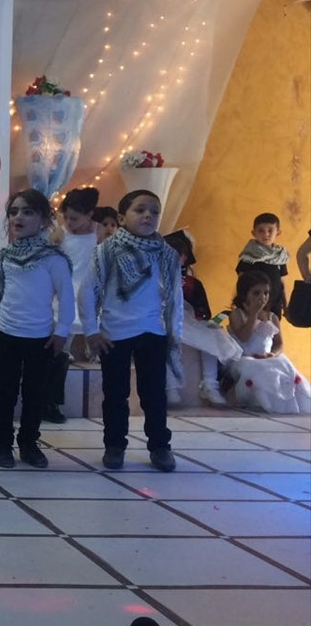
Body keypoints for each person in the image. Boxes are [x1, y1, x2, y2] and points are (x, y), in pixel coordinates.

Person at [79, 190, 182, 472]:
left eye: (154, 211)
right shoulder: (107, 250)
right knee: (115, 394)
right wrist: (91, 330)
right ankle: (114, 446)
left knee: (154, 394)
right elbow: (87, 291)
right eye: (140, 210)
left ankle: (160, 447)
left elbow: (175, 296)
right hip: (114, 333)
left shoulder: (167, 254)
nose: (148, 215)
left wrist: (173, 333)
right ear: (122, 218)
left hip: (153, 331)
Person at [0, 189, 73, 469]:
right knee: (4, 393)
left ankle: (29, 444)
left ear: (44, 219)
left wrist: (62, 332)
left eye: (28, 212)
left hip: (41, 338)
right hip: (7, 334)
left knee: (35, 395)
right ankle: (2, 445)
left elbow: (66, 298)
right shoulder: (4, 257)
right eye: (13, 212)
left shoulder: (53, 259)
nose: (18, 217)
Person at [162, 229, 238, 407]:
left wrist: (199, 316)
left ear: (184, 258)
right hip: (161, 319)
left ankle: (210, 385)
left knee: (211, 336)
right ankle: (171, 387)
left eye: (179, 255)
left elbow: (202, 309)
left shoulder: (192, 283)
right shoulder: (154, 277)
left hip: (188, 320)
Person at [43, 186, 100, 423]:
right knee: (60, 318)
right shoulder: (60, 233)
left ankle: (90, 348)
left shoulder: (100, 233)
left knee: (91, 313)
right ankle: (62, 350)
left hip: (88, 286)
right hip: (64, 286)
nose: (69, 222)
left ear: (90, 215)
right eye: (65, 217)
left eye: (74, 218)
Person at [226, 271, 310, 414]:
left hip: (267, 358)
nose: (262, 297)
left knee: (284, 368)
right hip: (245, 358)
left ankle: (282, 404)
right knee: (258, 371)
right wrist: (253, 314)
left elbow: (279, 343)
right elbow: (244, 337)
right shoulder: (237, 314)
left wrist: (273, 354)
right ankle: (260, 402)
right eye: (256, 293)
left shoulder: (272, 317)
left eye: (266, 293)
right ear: (244, 294)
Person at [236, 212, 289, 318]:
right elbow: (241, 280)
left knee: (273, 328)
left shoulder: (280, 256)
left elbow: (281, 282)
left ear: (278, 233)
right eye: (261, 231)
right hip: (253, 305)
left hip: (275, 305)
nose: (266, 234)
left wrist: (285, 305)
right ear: (253, 233)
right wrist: (243, 302)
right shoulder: (249, 255)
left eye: (270, 230)